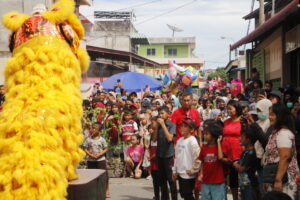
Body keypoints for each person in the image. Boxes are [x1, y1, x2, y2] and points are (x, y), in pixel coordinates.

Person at [263, 103, 299, 199]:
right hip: (273, 177)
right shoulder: (276, 133)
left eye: (272, 114)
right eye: (269, 114)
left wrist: (278, 180)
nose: (270, 117)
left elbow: (285, 157)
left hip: (283, 180)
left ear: (281, 116)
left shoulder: (284, 134)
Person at [172, 117, 200, 200]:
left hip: (188, 174)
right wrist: (174, 170)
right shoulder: (180, 140)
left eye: (185, 126)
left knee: (187, 194)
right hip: (180, 172)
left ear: (191, 130)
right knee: (183, 194)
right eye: (182, 126)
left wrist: (193, 170)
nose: (182, 128)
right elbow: (176, 157)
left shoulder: (192, 140)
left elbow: (198, 157)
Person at [221, 100, 243, 200]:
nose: (228, 110)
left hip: (238, 152)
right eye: (227, 108)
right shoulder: (225, 121)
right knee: (230, 178)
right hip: (226, 152)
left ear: (237, 109)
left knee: (239, 177)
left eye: (230, 108)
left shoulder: (242, 121)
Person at [155, 106, 178, 200]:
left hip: (168, 155)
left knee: (171, 179)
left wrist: (163, 125)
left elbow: (169, 138)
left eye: (162, 113)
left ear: (168, 114)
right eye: (159, 113)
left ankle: (174, 198)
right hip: (159, 155)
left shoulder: (172, 125)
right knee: (162, 180)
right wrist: (156, 127)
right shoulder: (158, 125)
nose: (160, 115)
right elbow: (154, 139)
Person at [233, 123, 260, 200]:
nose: (240, 139)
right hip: (244, 185)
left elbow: (242, 168)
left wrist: (234, 164)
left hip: (250, 185)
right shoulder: (245, 152)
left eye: (242, 137)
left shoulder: (250, 153)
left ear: (248, 139)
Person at [83, 122, 110, 198]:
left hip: (100, 160)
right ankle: (92, 190)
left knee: (104, 175)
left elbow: (106, 148)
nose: (92, 129)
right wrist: (90, 154)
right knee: (91, 176)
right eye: (92, 128)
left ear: (100, 131)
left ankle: (107, 190)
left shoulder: (102, 139)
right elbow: (85, 148)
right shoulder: (88, 139)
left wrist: (100, 154)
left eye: (95, 128)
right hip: (91, 160)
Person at [199, 123, 225, 200]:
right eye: (204, 134)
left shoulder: (219, 147)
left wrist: (218, 142)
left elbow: (220, 157)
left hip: (217, 181)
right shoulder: (204, 148)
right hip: (206, 181)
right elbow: (202, 162)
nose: (204, 136)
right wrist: (201, 173)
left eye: (207, 134)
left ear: (213, 136)